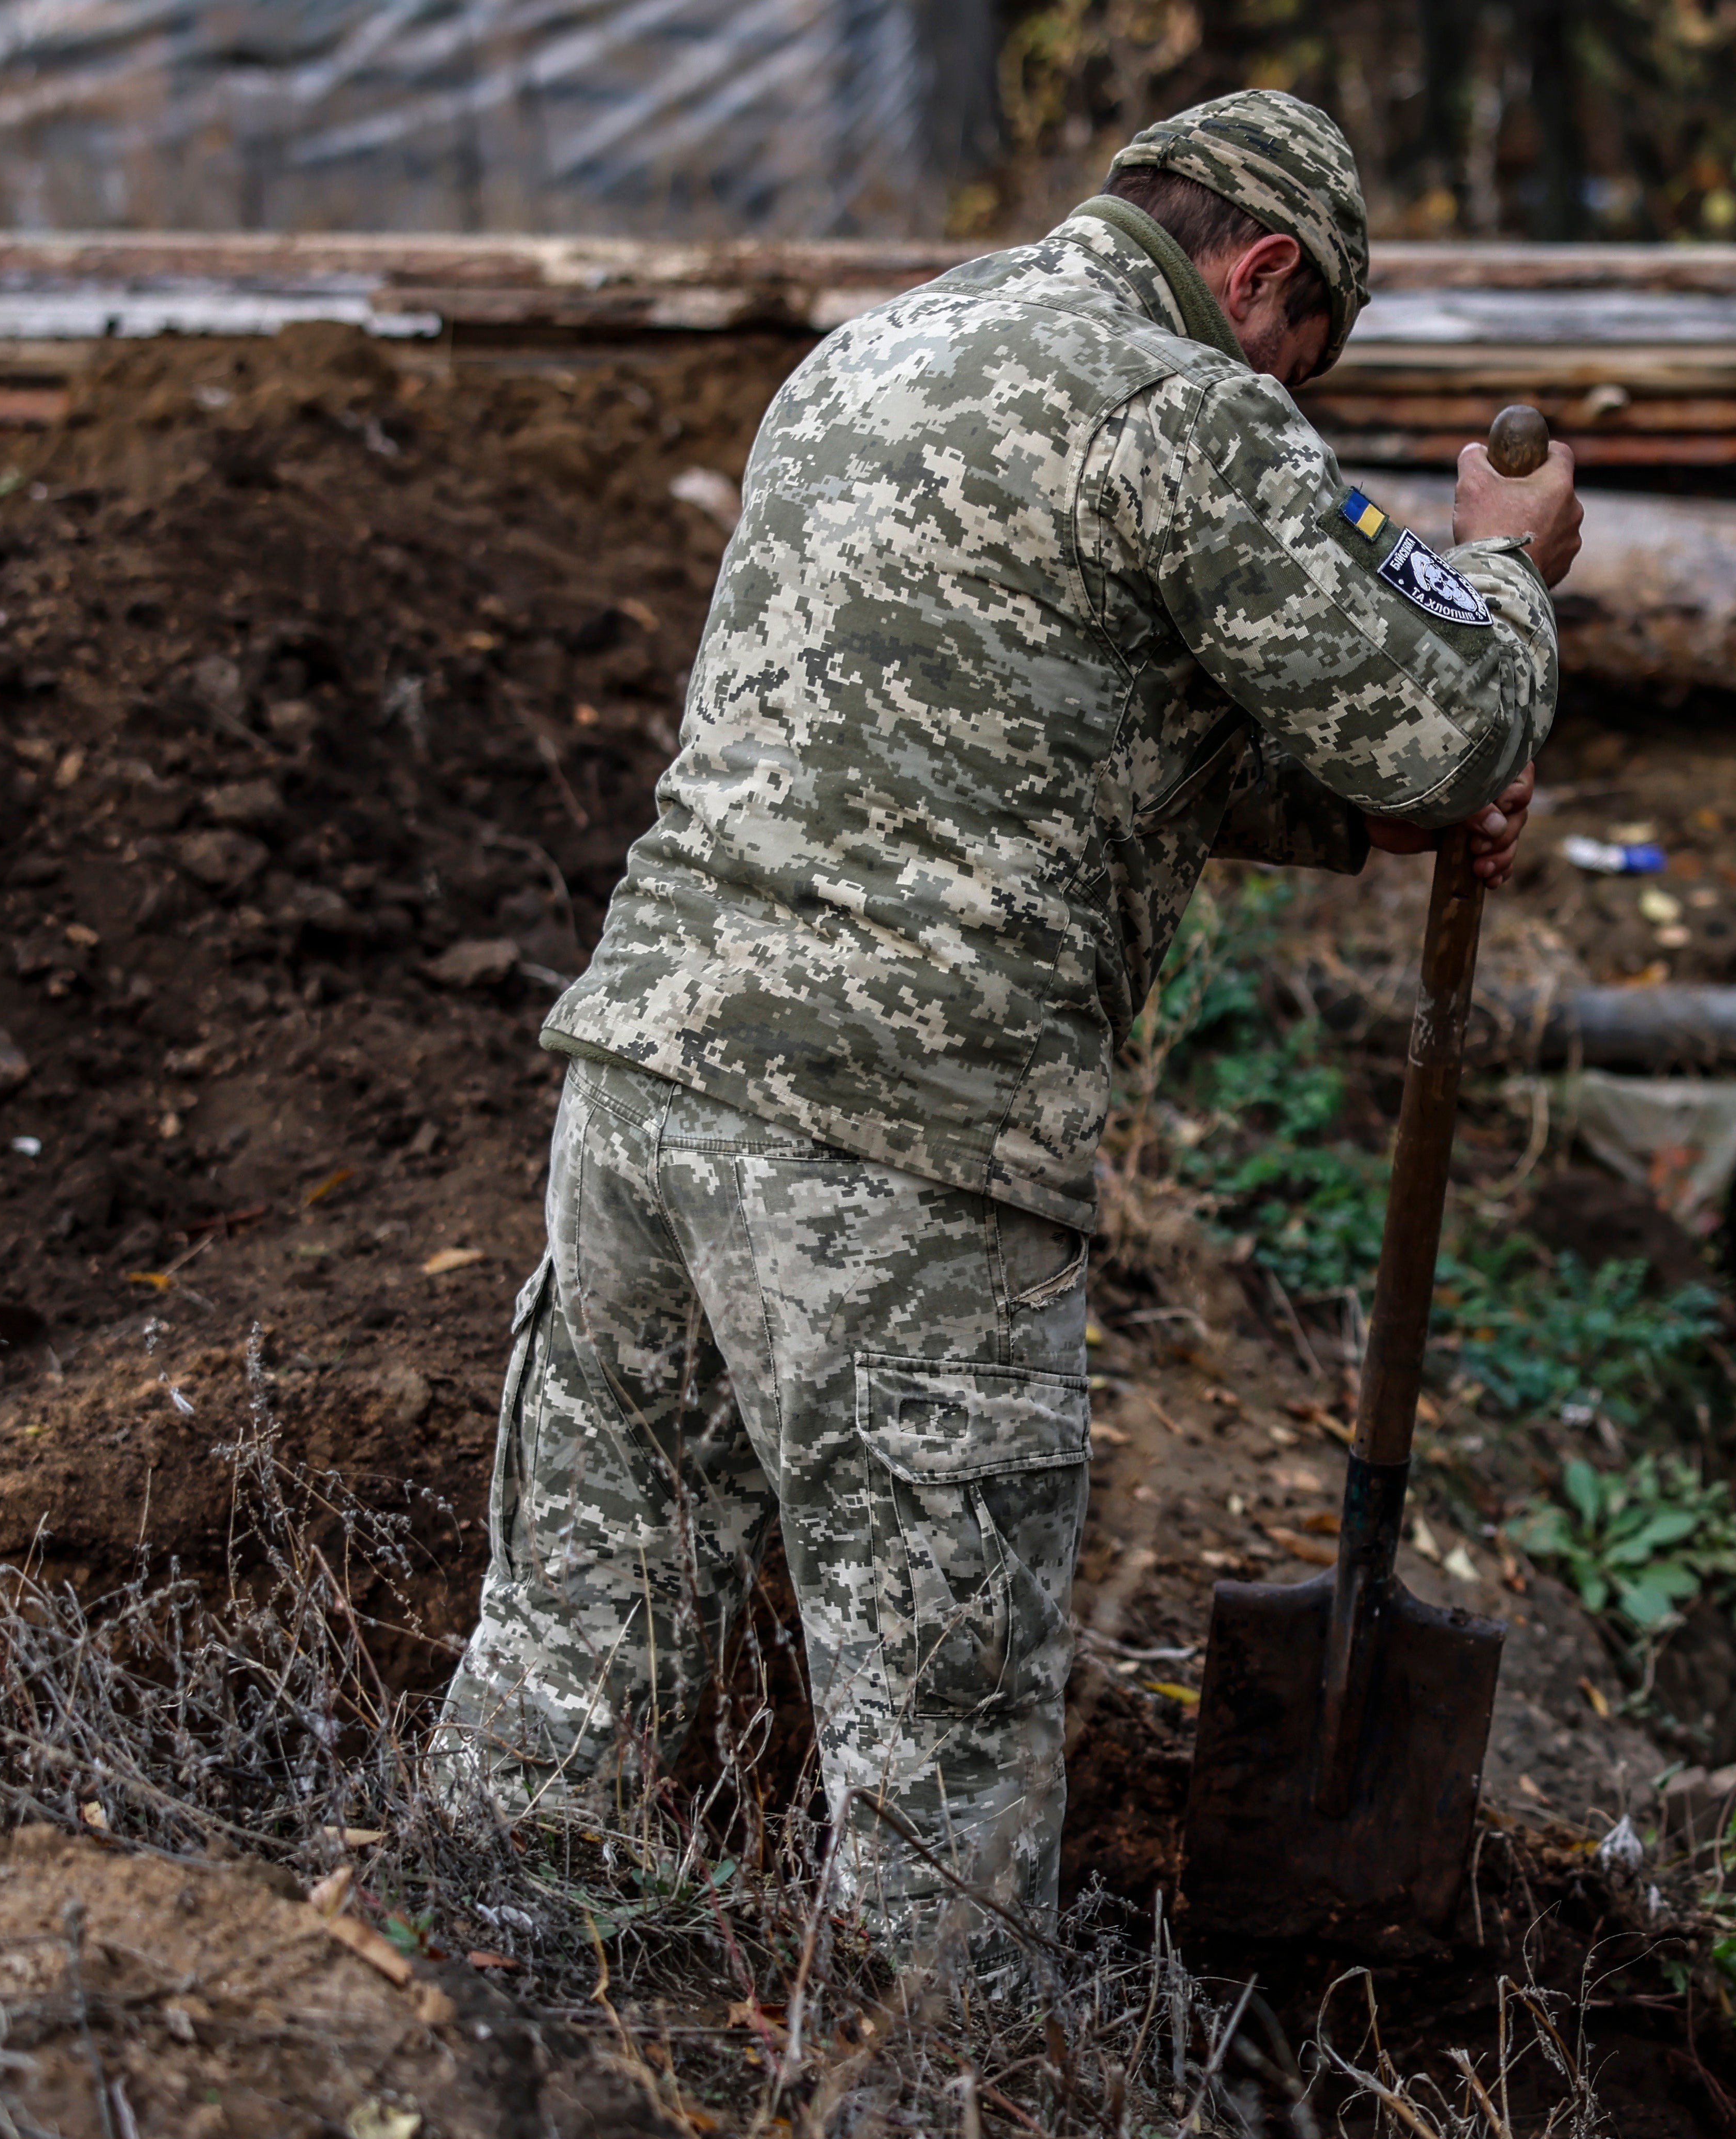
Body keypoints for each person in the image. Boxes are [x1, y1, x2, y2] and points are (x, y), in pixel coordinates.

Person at [428, 89, 1581, 1956]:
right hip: (906, 1164)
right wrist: (1513, 568)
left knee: (562, 1684)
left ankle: (471, 2079)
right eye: (1310, 350)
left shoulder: (868, 356)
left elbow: (1052, 713)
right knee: (939, 1826)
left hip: (642, 1102)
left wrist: (1363, 821)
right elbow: (1443, 717)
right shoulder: (1184, 405)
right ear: (1262, 270)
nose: (1295, 389)